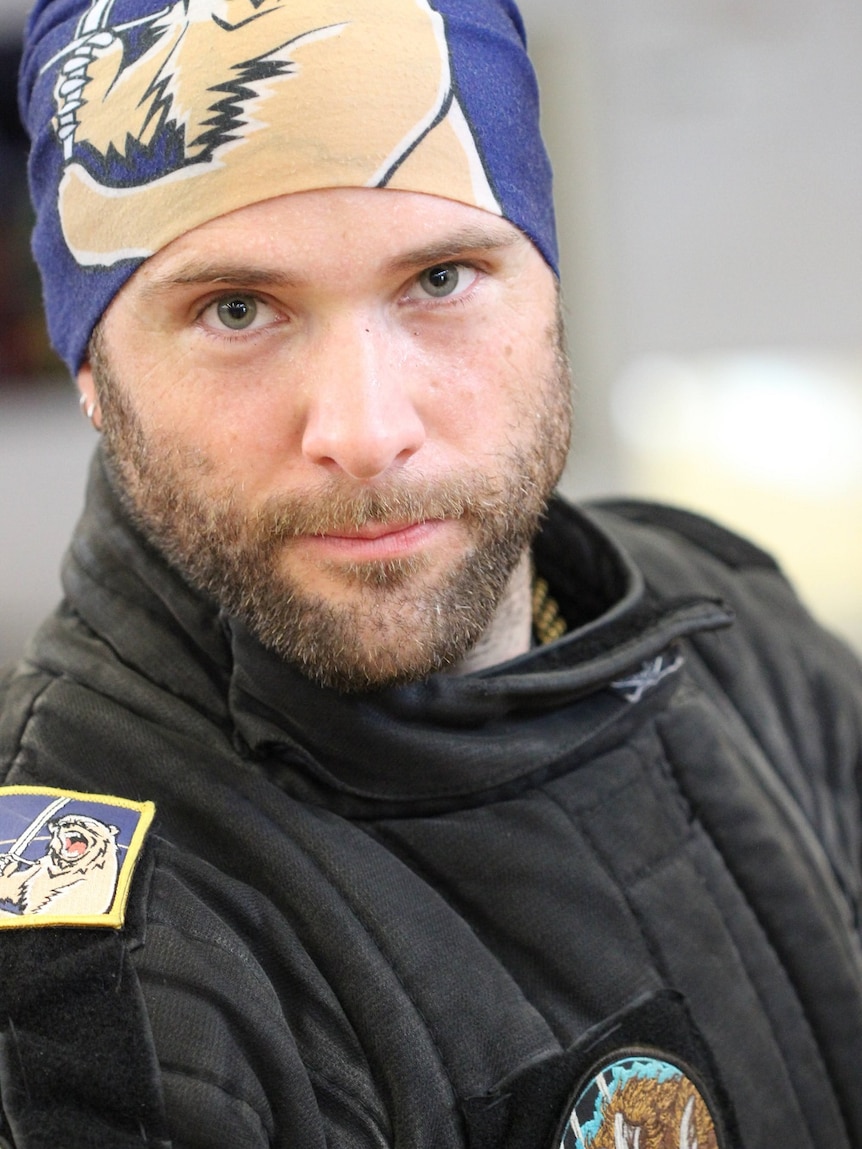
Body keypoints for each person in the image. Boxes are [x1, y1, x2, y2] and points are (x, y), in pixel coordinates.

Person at [1, 0, 861, 1145]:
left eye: (442, 279)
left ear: (550, 286)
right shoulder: (99, 969)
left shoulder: (733, 623)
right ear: (95, 376)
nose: (364, 429)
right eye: (237, 308)